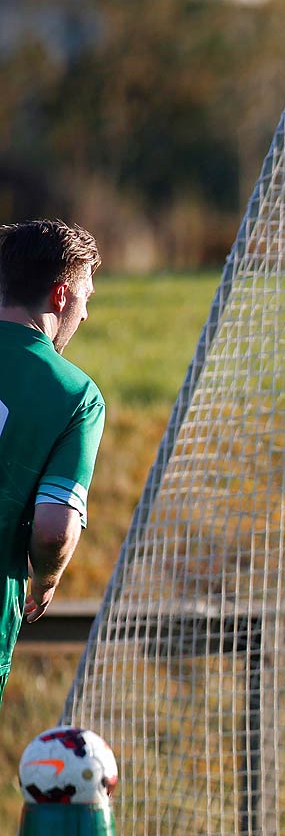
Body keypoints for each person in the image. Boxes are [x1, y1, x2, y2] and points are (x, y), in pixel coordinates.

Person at [0, 219, 105, 708]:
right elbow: (52, 528)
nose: (85, 315)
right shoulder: (75, 395)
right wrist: (45, 581)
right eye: (86, 298)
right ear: (61, 296)